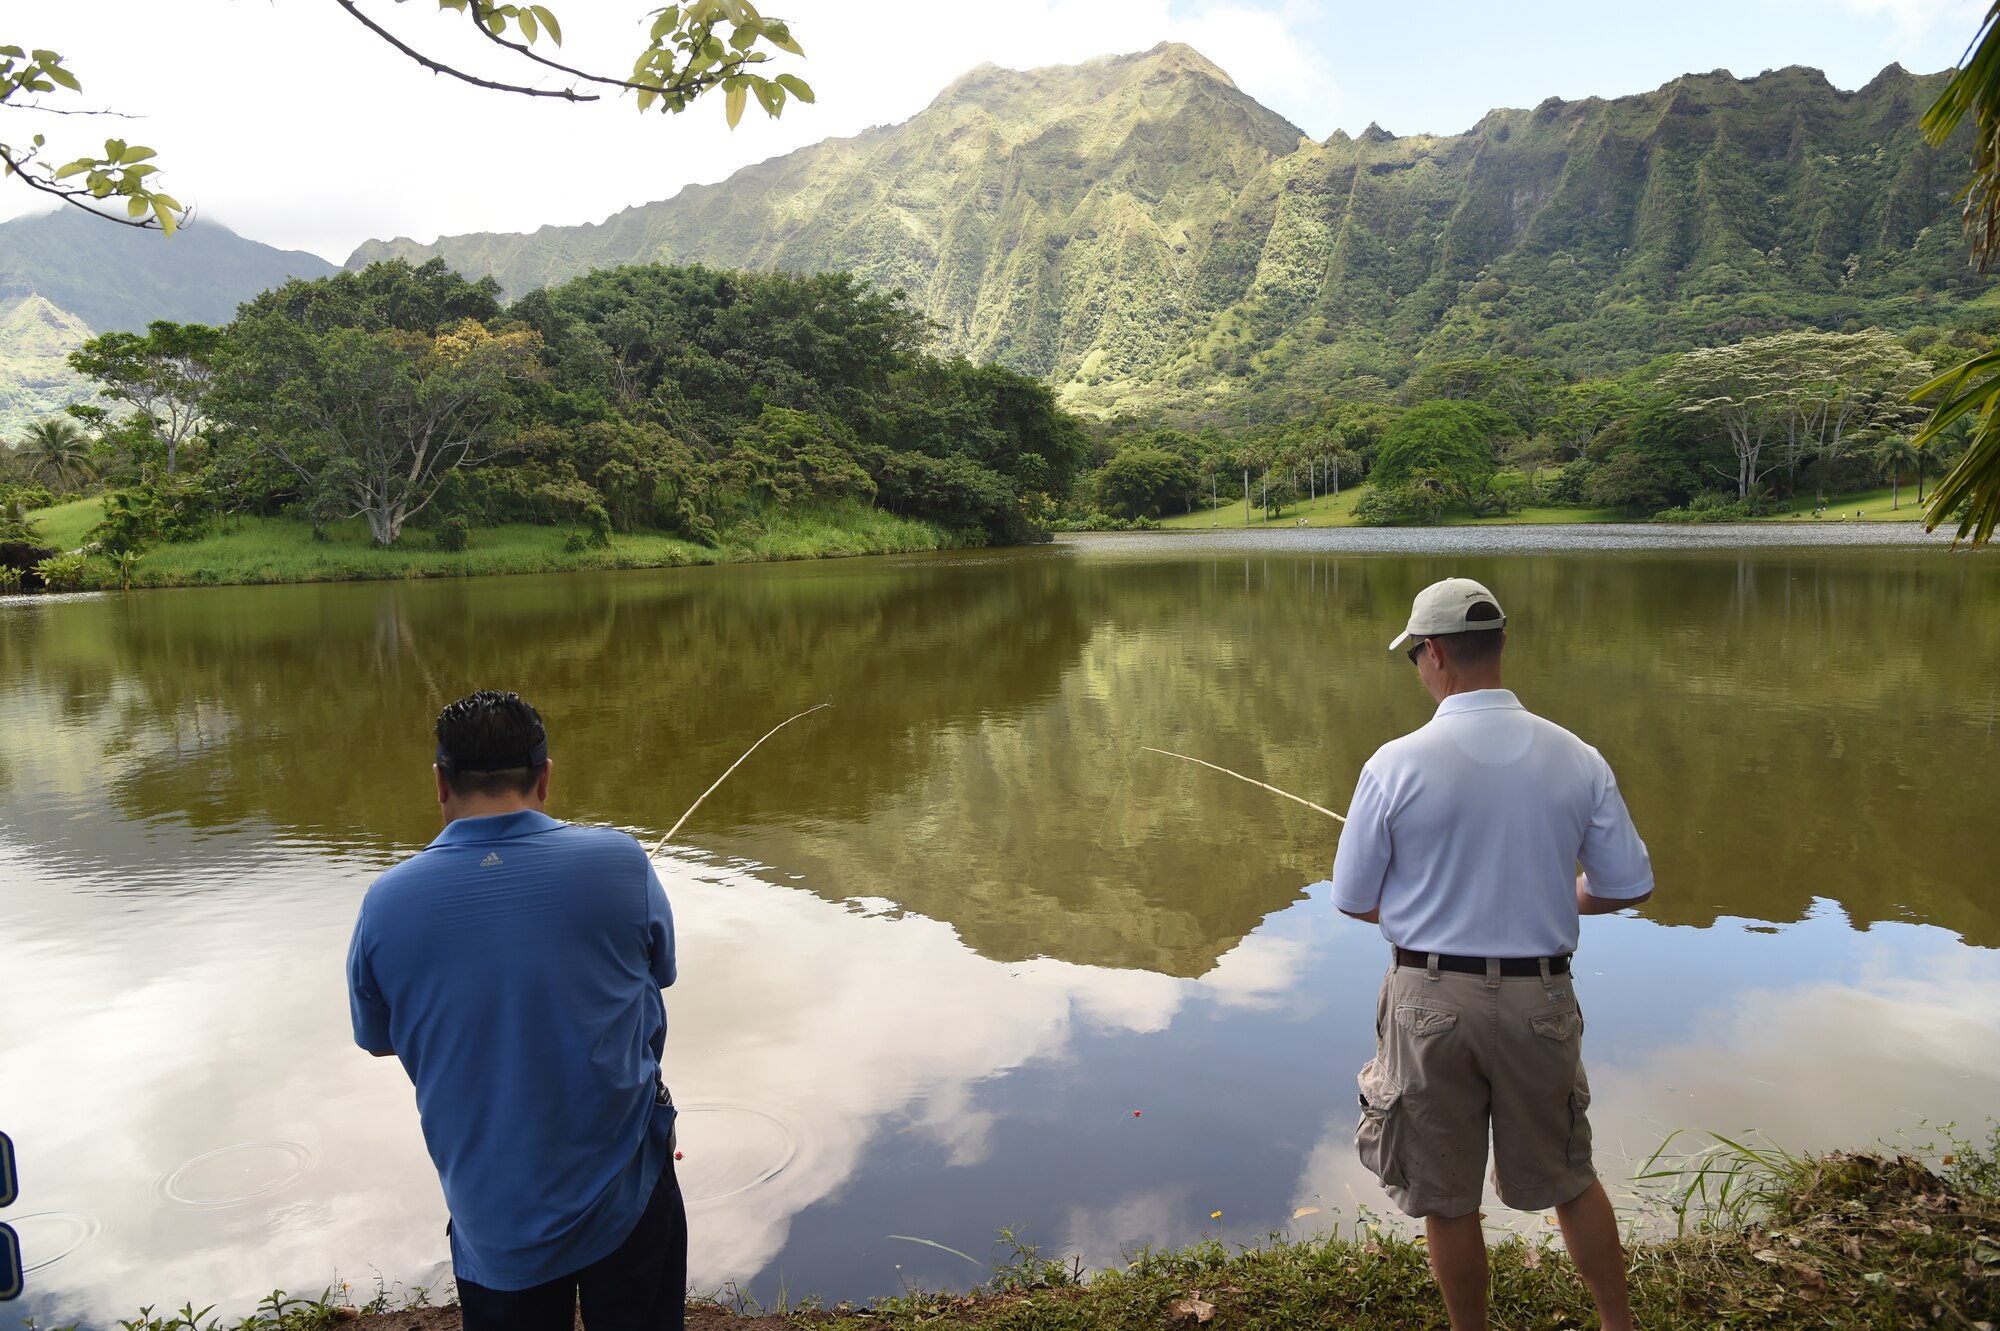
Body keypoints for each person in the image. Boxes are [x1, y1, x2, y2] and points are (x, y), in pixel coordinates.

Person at [1331, 578, 1654, 1331]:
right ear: (1501, 643)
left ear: (1433, 653)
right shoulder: (1578, 757)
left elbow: (1353, 896)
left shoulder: (1394, 763)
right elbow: (1628, 884)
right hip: (1541, 998)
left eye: (1416, 655)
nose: (1419, 667)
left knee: (1445, 1194)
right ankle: (1619, 1324)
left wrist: (1419, 906)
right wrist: (1562, 896)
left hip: (1430, 1001)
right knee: (1571, 1176)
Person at [346, 690, 685, 1331]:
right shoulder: (620, 862)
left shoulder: (385, 903)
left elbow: (379, 1038)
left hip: (490, 1213)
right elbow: (660, 974)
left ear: (441, 783)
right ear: (546, 777)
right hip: (627, 1196)